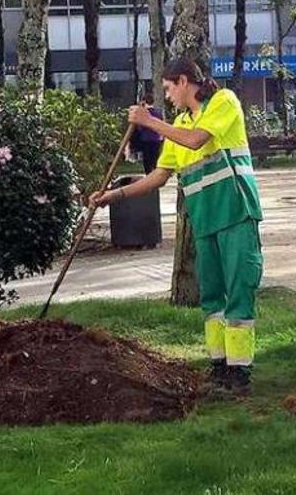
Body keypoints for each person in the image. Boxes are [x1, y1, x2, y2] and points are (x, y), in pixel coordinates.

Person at [92, 59, 264, 396]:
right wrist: (112, 195)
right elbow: (159, 175)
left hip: (235, 213)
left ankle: (240, 373)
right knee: (212, 296)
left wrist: (151, 122)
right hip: (205, 220)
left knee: (238, 291)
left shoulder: (223, 102)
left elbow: (197, 140)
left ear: (184, 82)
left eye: (169, 88)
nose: (167, 96)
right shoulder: (180, 123)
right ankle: (220, 366)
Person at [127, 93, 165, 174]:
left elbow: (140, 127)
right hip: (156, 139)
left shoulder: (143, 113)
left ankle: (148, 175)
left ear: (144, 101)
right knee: (155, 159)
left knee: (147, 160)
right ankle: (155, 174)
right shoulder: (158, 113)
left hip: (146, 139)